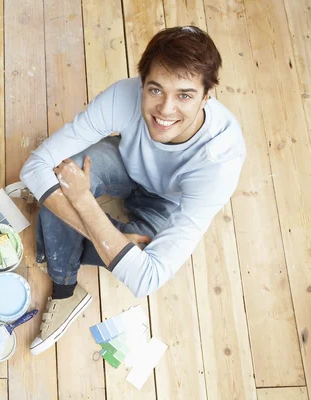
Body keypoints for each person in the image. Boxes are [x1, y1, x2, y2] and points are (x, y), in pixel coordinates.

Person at [19, 26, 246, 356]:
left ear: (206, 96)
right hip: (124, 161)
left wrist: (80, 201)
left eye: (184, 95)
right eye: (156, 90)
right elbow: (34, 167)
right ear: (142, 84)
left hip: (168, 201)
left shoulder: (220, 161)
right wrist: (107, 234)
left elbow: (147, 280)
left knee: (63, 196)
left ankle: (55, 225)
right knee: (62, 182)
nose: (165, 110)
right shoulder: (123, 95)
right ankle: (65, 286)